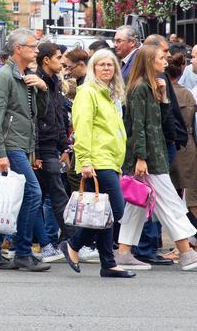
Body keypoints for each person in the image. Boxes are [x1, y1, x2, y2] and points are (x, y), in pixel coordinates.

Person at [116, 45, 197, 271]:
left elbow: (161, 122)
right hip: (149, 158)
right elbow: (138, 127)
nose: (166, 60)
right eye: (161, 58)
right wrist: (141, 157)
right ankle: (186, 252)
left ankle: (123, 252)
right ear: (150, 61)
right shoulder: (140, 88)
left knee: (137, 205)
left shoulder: (151, 87)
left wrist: (162, 97)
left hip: (153, 154)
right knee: (169, 202)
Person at [59, 48, 134, 278]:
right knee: (115, 209)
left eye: (110, 65)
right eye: (101, 65)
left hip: (110, 160)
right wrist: (85, 162)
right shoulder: (87, 92)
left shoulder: (109, 94)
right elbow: (82, 129)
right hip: (97, 161)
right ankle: (74, 244)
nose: (106, 68)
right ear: (92, 68)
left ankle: (108, 263)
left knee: (103, 212)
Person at [0, 28, 50, 272]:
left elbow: (37, 114)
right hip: (11, 146)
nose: (36, 50)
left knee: (15, 198)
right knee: (33, 194)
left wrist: (42, 88)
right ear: (18, 49)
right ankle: (21, 252)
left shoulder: (24, 75)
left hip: (22, 144)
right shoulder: (4, 76)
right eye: (32, 46)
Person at [31, 43, 73, 262]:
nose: (62, 61)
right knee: (50, 196)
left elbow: (58, 115)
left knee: (51, 196)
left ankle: (63, 241)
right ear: (46, 60)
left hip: (51, 147)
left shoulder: (55, 82)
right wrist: (35, 153)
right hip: (42, 148)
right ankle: (66, 242)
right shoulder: (36, 81)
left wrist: (64, 146)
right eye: (58, 57)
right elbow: (34, 119)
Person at [167, 52, 197, 240]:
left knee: (184, 197)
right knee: (185, 195)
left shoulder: (176, 92)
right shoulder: (187, 92)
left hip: (179, 146)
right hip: (187, 145)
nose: (191, 60)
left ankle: (189, 240)